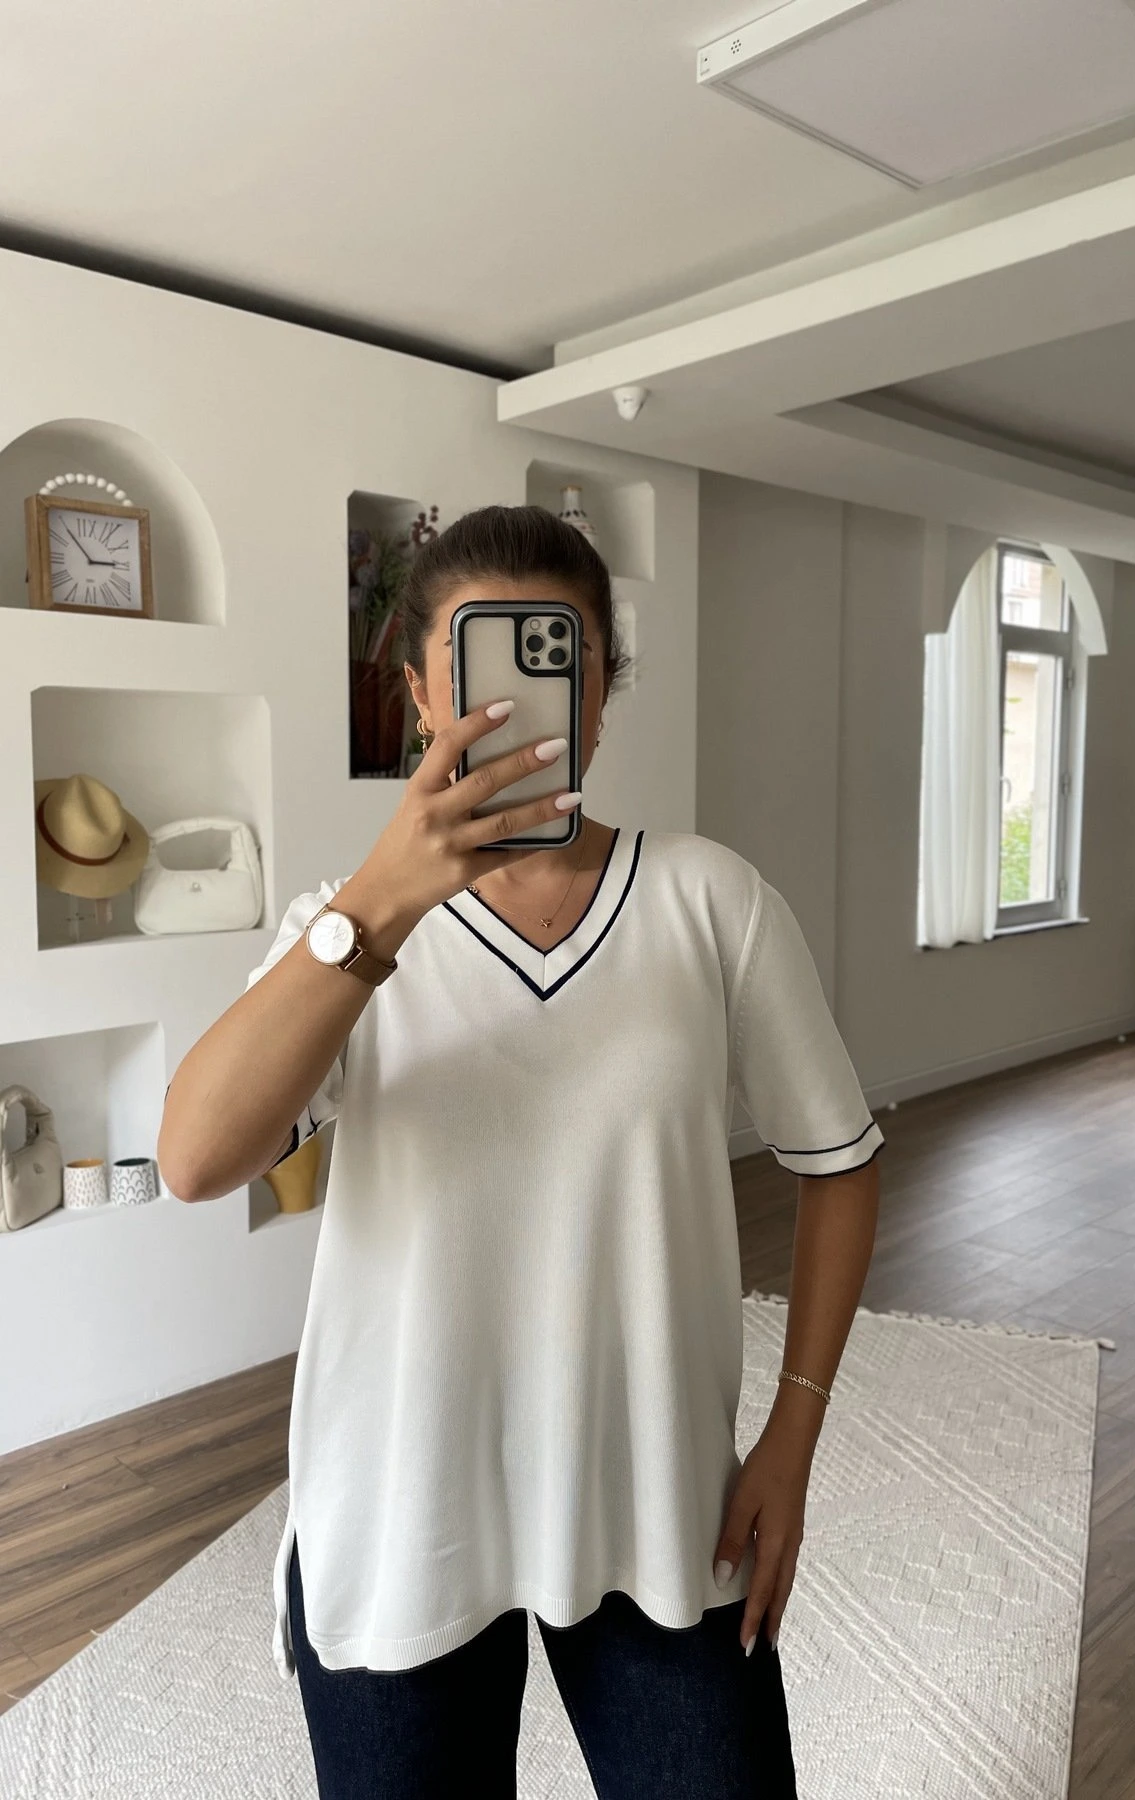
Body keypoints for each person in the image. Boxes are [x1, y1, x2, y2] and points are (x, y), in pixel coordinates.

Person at [158, 504, 884, 1798]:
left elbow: (840, 1162)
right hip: (400, 1516)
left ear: (603, 695)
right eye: (474, 663)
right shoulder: (344, 928)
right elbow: (195, 1160)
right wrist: (379, 905)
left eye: (563, 659)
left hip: (659, 1502)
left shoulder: (712, 902)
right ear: (419, 696)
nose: (514, 703)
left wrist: (794, 1436)